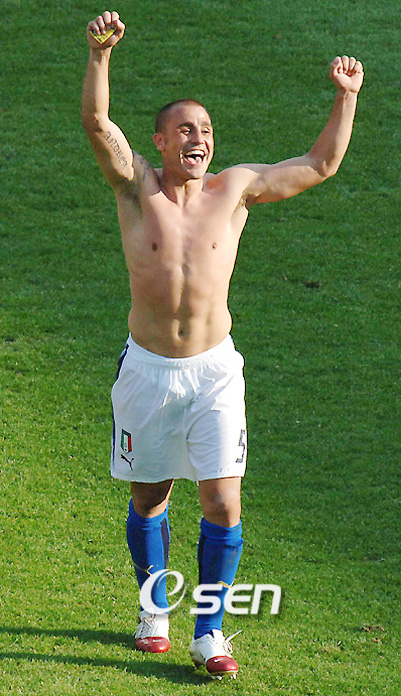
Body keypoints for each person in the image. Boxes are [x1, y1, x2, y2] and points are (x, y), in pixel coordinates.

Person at [82, 10, 364, 679]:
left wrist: (345, 96)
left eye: (206, 130)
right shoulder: (135, 187)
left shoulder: (233, 190)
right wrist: (99, 55)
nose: (199, 138)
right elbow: (96, 123)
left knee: (221, 502)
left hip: (213, 373)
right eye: (186, 129)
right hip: (148, 371)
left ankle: (208, 630)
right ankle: (154, 610)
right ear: (160, 140)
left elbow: (320, 164)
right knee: (149, 498)